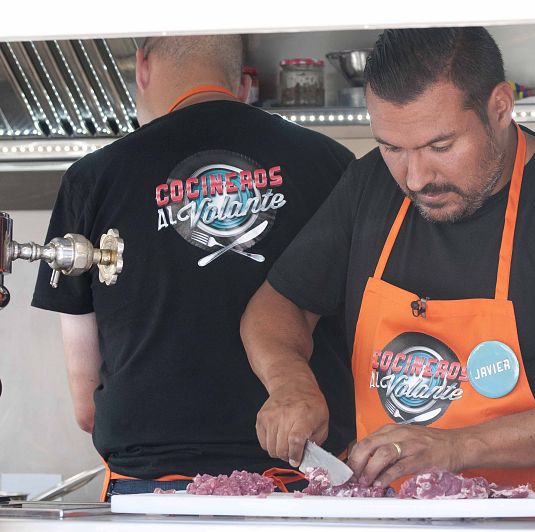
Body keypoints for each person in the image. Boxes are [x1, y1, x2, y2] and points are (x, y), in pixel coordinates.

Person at [241, 27, 535, 508]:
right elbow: (279, 304)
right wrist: (289, 382)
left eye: (440, 147)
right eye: (392, 148)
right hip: (399, 516)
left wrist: (459, 446)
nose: (416, 178)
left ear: (500, 107)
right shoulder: (370, 186)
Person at [31, 35, 355, 499]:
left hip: (153, 496)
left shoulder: (91, 180)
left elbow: (87, 407)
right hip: (307, 487)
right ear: (243, 81)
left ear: (142, 65)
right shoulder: (332, 164)